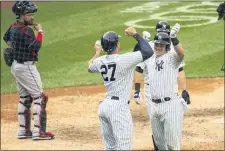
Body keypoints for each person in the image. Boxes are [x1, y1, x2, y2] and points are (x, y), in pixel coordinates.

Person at [88, 27, 154, 150]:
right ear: (116, 44)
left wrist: (97, 52)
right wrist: (135, 35)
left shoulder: (100, 61)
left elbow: (89, 66)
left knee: (110, 148)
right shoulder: (124, 59)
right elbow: (148, 52)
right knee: (124, 147)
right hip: (119, 109)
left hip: (105, 107)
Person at [3, 1, 54, 140]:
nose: (32, 17)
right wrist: (40, 31)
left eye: (32, 14)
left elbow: (6, 38)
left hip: (15, 66)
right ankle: (39, 132)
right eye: (29, 14)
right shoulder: (27, 30)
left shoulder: (13, 26)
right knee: (40, 98)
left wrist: (17, 47)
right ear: (21, 15)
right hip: (26, 67)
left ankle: (24, 130)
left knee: (25, 98)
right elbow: (36, 46)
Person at [134, 21, 190, 106]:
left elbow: (180, 69)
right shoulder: (148, 48)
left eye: (165, 33)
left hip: (169, 87)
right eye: (161, 32)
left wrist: (184, 90)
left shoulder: (174, 48)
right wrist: (137, 90)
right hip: (150, 89)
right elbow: (138, 69)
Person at [147, 31, 187, 150]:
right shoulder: (150, 60)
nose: (158, 47)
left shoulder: (171, 58)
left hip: (170, 106)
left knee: (172, 145)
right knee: (159, 145)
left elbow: (181, 53)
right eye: (156, 44)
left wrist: (174, 38)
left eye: (161, 45)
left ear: (167, 46)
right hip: (154, 106)